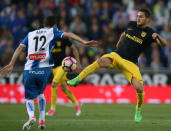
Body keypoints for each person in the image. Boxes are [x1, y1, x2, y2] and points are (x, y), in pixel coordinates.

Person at [67, 8, 167, 123]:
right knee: (100, 61)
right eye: (138, 16)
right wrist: (118, 44)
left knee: (139, 89)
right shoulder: (131, 24)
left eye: (141, 16)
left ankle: (138, 110)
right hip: (117, 56)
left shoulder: (150, 33)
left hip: (131, 64)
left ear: (147, 19)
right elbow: (124, 34)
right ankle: (77, 79)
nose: (138, 18)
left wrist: (158, 36)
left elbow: (163, 44)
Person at [0, 15, 97, 130]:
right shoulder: (53, 31)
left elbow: (20, 48)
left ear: (43, 24)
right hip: (44, 69)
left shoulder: (30, 34)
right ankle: (42, 121)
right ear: (55, 25)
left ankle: (32, 116)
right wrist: (84, 42)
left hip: (29, 69)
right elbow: (70, 34)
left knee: (30, 98)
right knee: (42, 93)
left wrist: (11, 63)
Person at [46, 37, 82, 117]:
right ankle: (76, 103)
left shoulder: (62, 37)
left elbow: (73, 47)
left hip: (63, 66)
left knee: (54, 83)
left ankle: (52, 109)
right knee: (63, 87)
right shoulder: (47, 38)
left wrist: (78, 62)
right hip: (53, 67)